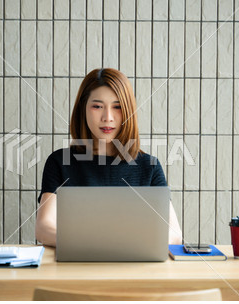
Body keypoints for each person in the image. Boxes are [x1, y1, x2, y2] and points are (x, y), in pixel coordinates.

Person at [35, 68, 182, 247]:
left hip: (134, 268)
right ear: (83, 109)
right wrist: (97, 244)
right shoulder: (59, 162)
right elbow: (43, 229)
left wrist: (125, 245)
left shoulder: (149, 166)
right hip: (76, 268)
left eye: (117, 107)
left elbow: (174, 234)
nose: (108, 117)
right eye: (97, 106)